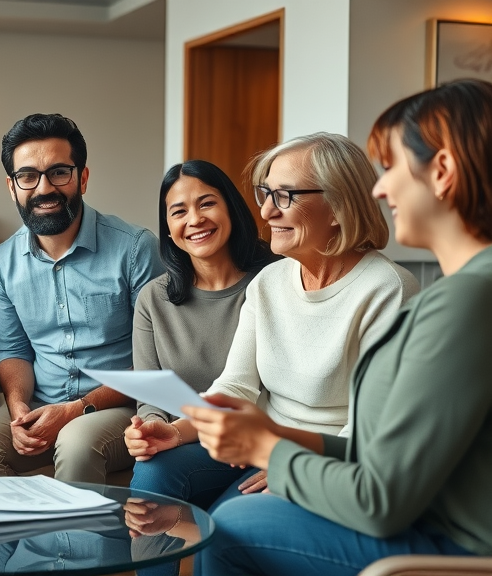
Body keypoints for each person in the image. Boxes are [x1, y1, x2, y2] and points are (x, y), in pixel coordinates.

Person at [189, 78, 492, 576]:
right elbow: (380, 455)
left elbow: (380, 499)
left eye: (391, 167)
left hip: (447, 543)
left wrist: (268, 448)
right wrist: (270, 432)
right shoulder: (458, 295)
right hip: (424, 514)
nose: (379, 187)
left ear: (441, 172)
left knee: (231, 526)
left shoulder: (463, 302)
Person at [125, 132, 419, 518]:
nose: (265, 213)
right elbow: (236, 386)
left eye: (285, 196)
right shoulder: (269, 282)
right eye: (266, 194)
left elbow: (370, 429)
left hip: (330, 461)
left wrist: (290, 462)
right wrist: (177, 431)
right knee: (155, 472)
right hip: (260, 444)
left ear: (337, 207)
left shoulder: (388, 290)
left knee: (227, 528)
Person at [0, 113, 165, 483]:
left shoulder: (135, 249)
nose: (43, 189)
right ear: (12, 186)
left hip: (121, 405)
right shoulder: (3, 262)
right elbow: (14, 350)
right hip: (39, 401)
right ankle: (12, 540)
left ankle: (79, 541)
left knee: (76, 442)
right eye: (28, 176)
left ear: (82, 178)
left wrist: (75, 410)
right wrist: (18, 406)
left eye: (59, 172)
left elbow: (156, 360)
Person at [123, 160, 275, 576]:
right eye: (178, 212)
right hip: (187, 446)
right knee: (152, 467)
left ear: (232, 210)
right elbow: (149, 395)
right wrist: (146, 429)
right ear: (168, 227)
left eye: (207, 204)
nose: (195, 220)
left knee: (222, 537)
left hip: (256, 443)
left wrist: (284, 452)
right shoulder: (154, 298)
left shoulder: (274, 282)